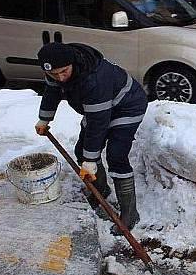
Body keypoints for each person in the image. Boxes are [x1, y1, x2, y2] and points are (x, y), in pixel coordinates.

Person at [34, 43, 147, 234]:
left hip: (128, 105)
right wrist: (44, 119)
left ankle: (129, 213)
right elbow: (52, 92)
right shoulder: (55, 69)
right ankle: (100, 191)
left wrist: (91, 161)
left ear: (73, 63)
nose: (60, 78)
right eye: (54, 74)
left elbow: (98, 124)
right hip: (97, 109)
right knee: (81, 151)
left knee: (116, 155)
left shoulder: (94, 79)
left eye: (64, 72)